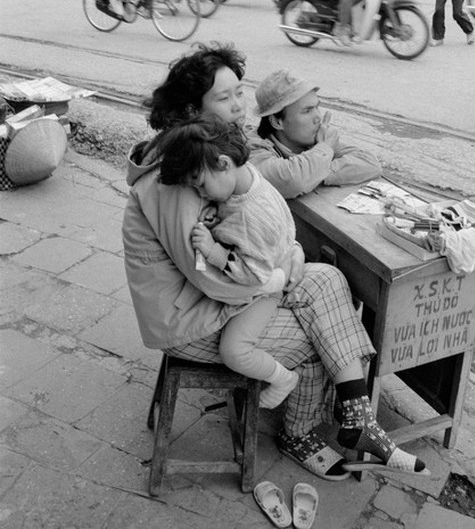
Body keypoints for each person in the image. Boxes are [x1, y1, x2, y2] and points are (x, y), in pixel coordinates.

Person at [123, 42, 428, 481]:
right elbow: (214, 278)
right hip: (190, 321)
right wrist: (283, 274)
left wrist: (289, 262)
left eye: (239, 93)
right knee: (317, 333)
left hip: (212, 298)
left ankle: (357, 418)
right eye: (224, 99)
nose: (240, 108)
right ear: (193, 109)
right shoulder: (176, 174)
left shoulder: (202, 153)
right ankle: (300, 432)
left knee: (327, 280)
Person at [157, 116, 300, 409]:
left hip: (266, 284)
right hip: (274, 258)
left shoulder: (252, 216)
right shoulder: (245, 180)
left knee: (234, 350)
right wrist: (216, 212)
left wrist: (213, 251)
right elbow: (233, 213)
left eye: (200, 185)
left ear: (223, 164)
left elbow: (254, 275)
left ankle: (283, 378)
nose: (199, 193)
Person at [246, 69, 382, 200]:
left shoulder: (312, 141)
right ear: (277, 122)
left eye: (317, 107)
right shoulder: (253, 149)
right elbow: (292, 181)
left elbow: (370, 162)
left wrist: (315, 171)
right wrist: (320, 158)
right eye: (307, 111)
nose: (318, 117)